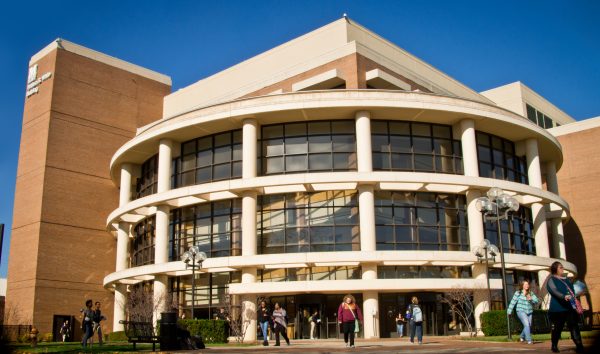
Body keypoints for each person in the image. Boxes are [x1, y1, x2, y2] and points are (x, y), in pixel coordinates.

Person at [546, 261, 584, 353]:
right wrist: (563, 296)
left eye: (562, 267)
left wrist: (577, 294)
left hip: (570, 308)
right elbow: (553, 290)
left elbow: (573, 291)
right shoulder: (551, 280)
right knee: (558, 329)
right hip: (558, 309)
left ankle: (579, 345)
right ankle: (554, 345)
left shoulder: (567, 280)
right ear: (555, 269)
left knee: (574, 326)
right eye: (560, 267)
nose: (562, 268)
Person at [507, 280, 539, 344]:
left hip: (529, 311)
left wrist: (531, 299)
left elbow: (536, 301)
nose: (527, 285)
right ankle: (529, 340)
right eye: (525, 284)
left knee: (528, 326)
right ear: (522, 286)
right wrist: (509, 311)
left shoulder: (530, 293)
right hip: (520, 310)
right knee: (527, 324)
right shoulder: (518, 293)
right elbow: (513, 302)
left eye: (527, 284)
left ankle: (522, 336)